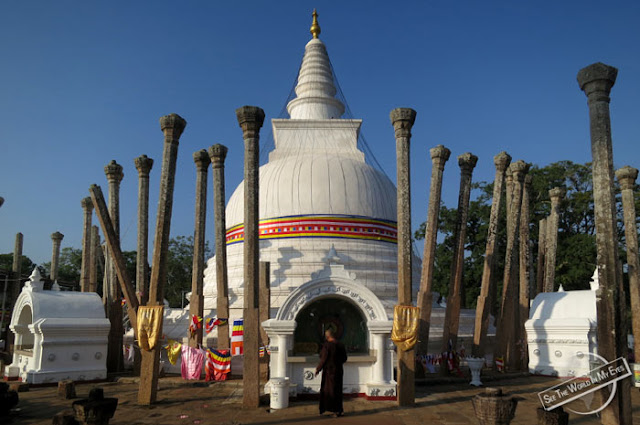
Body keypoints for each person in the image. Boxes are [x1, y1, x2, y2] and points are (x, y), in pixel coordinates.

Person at [315, 328, 348, 417]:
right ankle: (339, 410)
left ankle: (332, 410)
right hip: (339, 370)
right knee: (338, 390)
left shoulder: (327, 346)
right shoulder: (340, 344)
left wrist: (318, 369)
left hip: (329, 371)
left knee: (329, 391)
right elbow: (344, 358)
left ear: (327, 337)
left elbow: (323, 358)